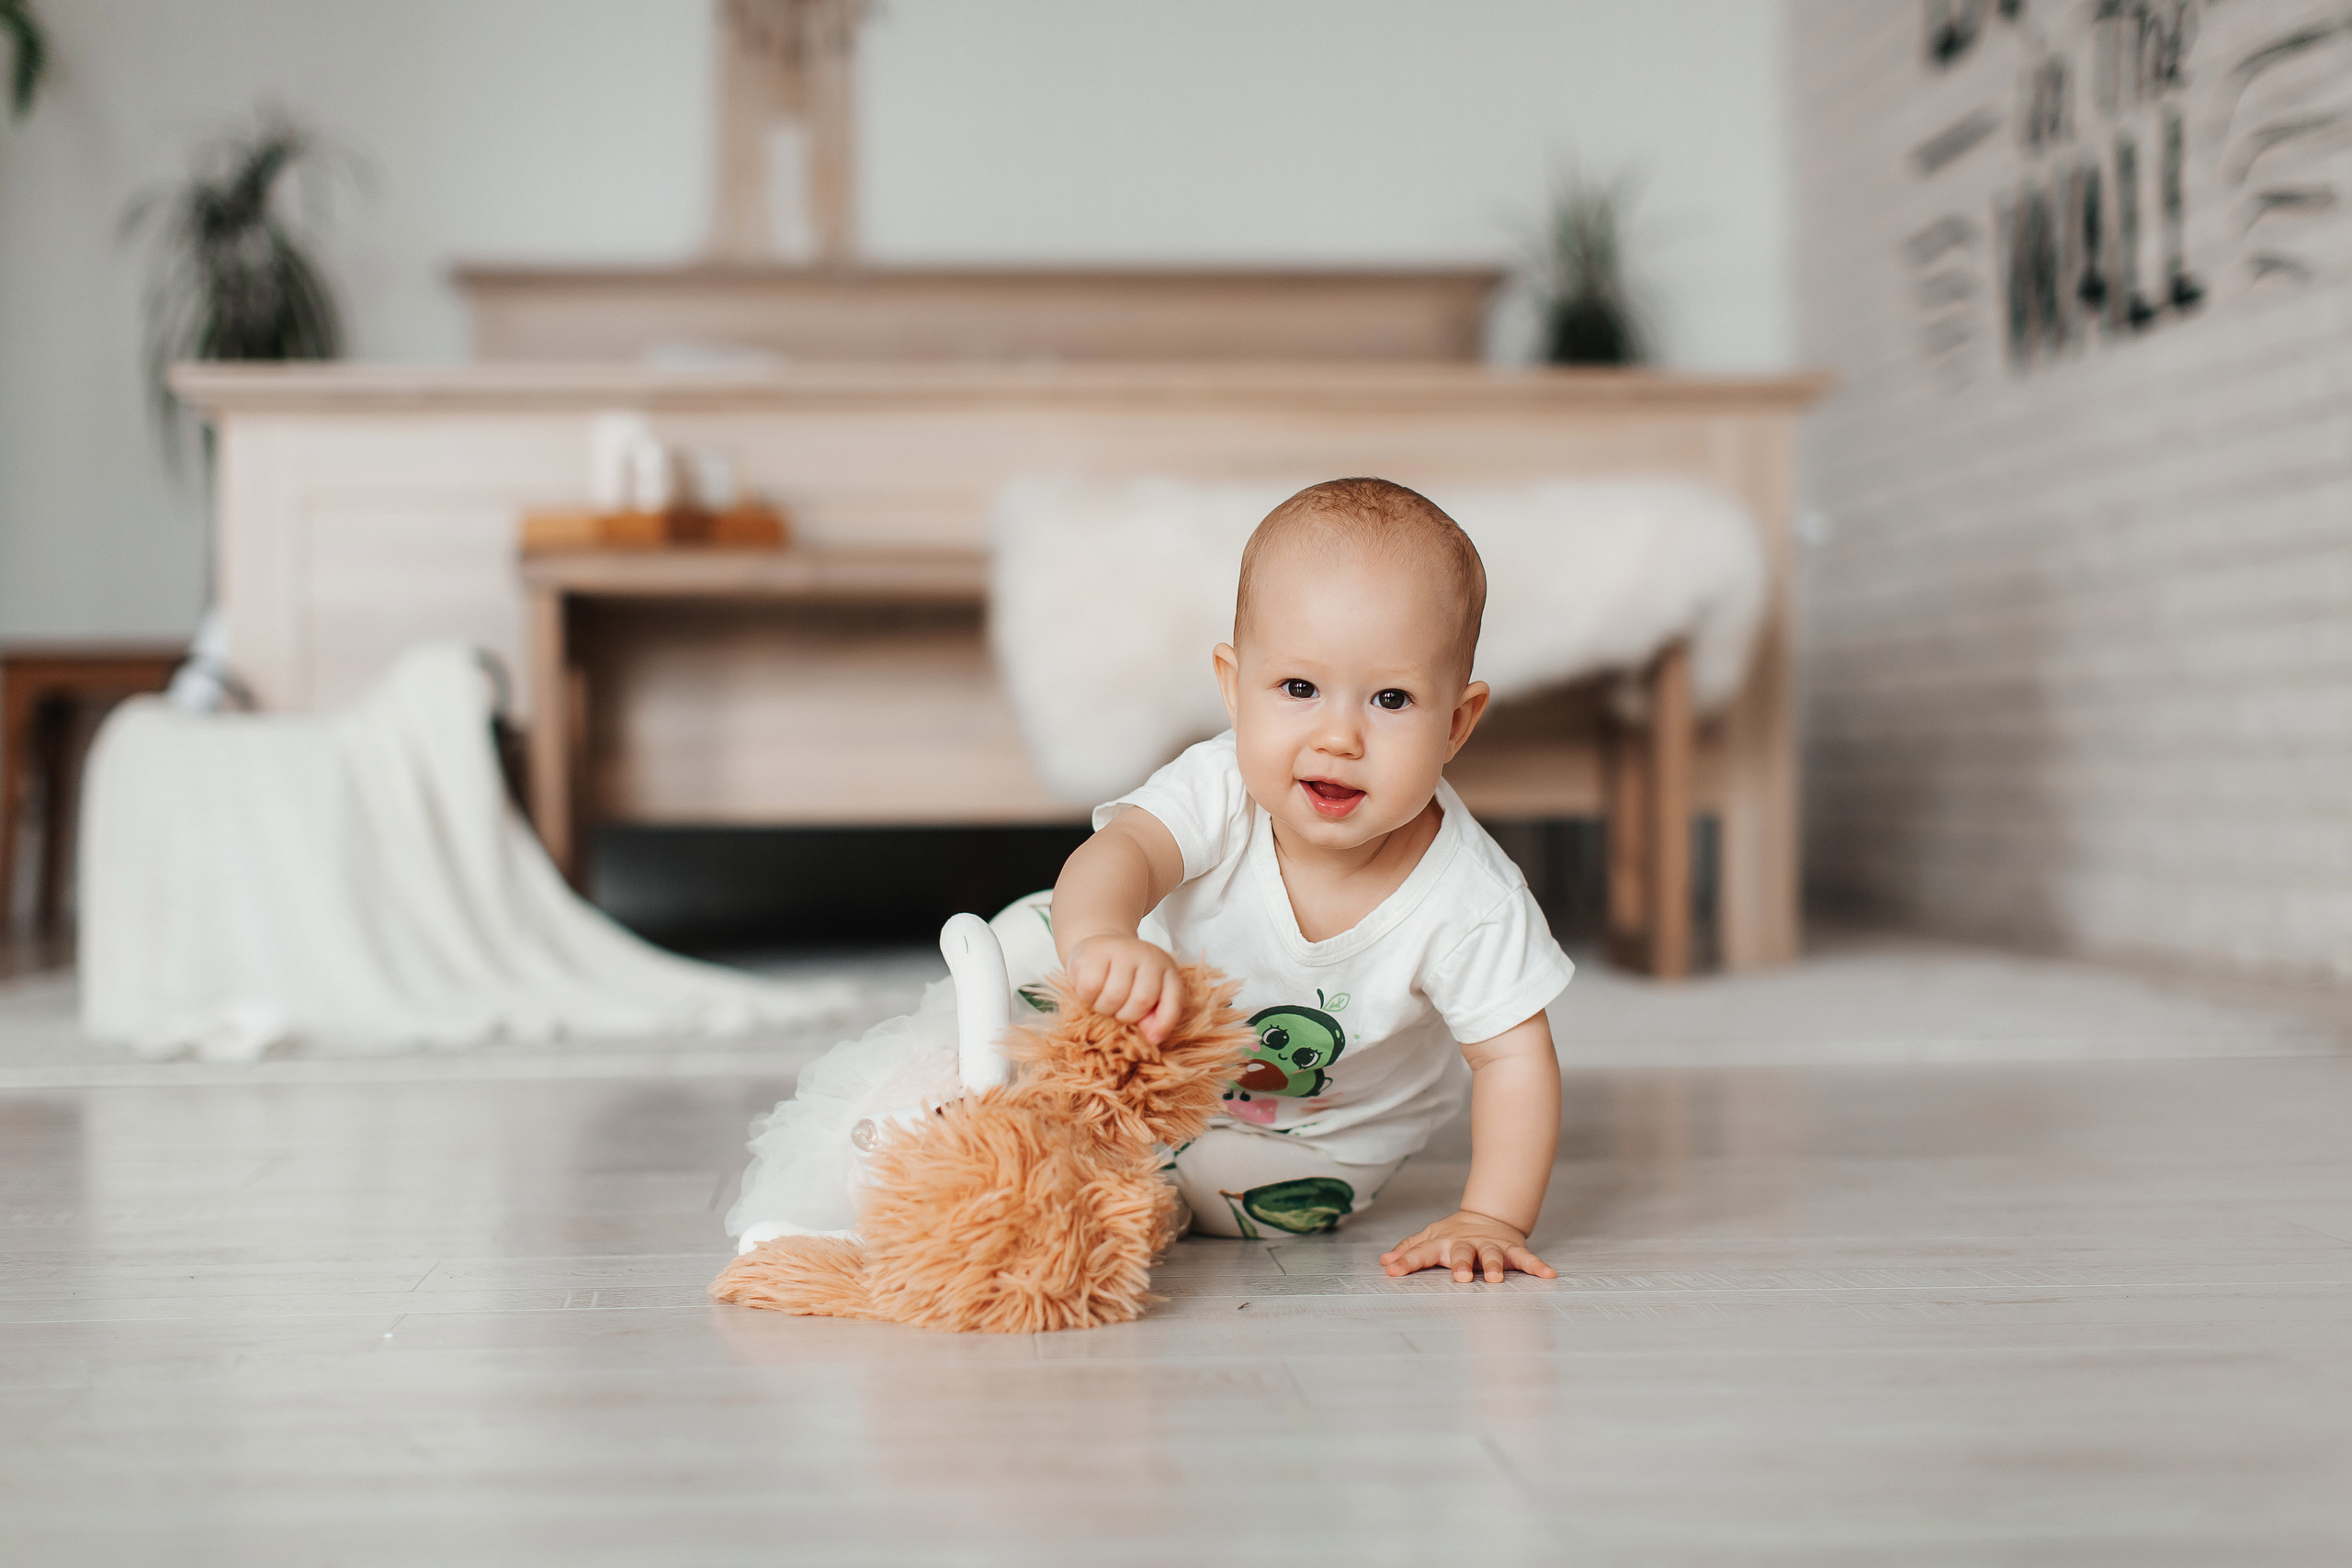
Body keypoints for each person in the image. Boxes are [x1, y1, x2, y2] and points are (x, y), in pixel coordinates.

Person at [1049, 477, 1574, 1283]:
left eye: (1392, 699)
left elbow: (1515, 1063)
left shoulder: (1471, 898)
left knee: (1255, 1211)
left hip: (1321, 1133)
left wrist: (1490, 1215)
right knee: (1036, 941)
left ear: (1457, 725)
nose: (1339, 736)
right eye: (1299, 689)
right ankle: (976, 1094)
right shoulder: (1221, 784)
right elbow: (1127, 852)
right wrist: (1104, 937)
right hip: (1147, 1043)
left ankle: (1111, 1185)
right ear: (1233, 688)